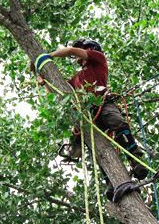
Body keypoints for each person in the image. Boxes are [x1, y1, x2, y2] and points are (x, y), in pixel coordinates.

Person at [33, 39, 148, 200]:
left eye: (82, 50)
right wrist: (43, 80)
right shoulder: (77, 77)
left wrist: (46, 57)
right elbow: (58, 92)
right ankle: (110, 181)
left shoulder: (98, 58)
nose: (77, 56)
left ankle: (136, 161)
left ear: (90, 49)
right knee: (98, 150)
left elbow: (71, 50)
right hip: (87, 116)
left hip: (103, 103)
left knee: (117, 122)